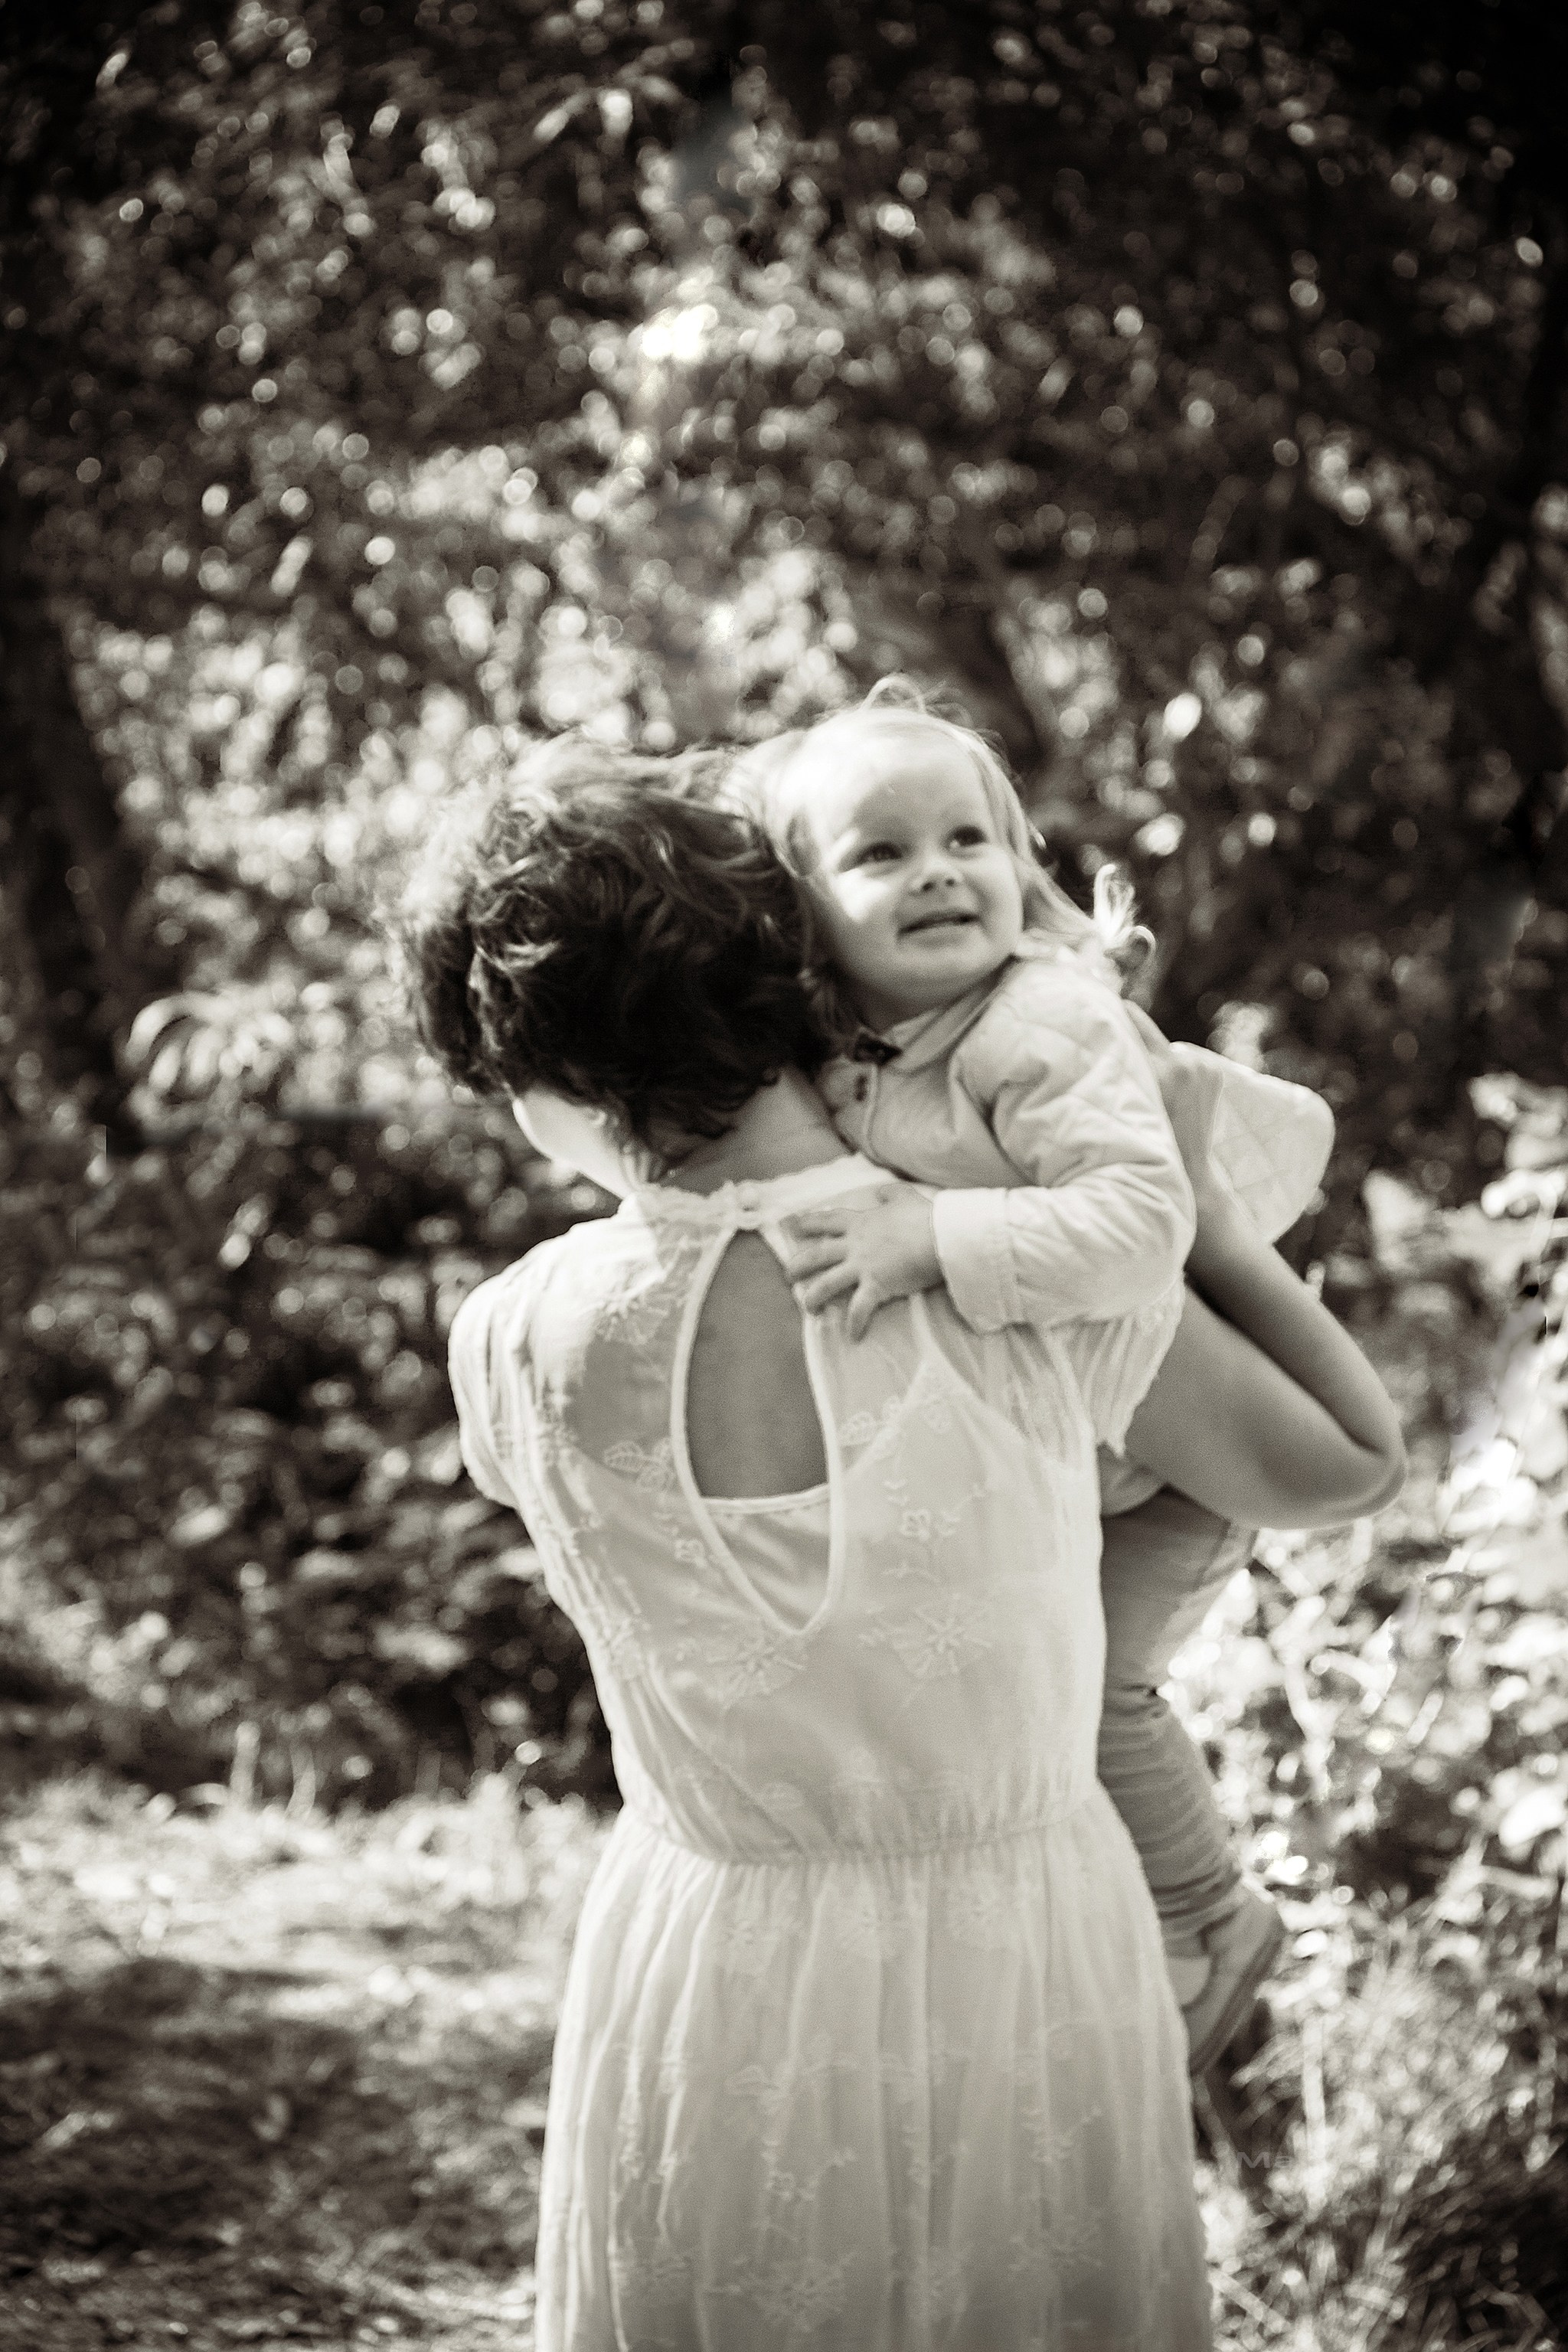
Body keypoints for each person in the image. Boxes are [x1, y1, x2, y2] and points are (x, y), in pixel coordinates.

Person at [397, 740, 1403, 2351]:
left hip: (702, 1972)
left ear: (549, 1082)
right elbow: (1341, 1466)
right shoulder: (1002, 1278)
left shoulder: (508, 1341)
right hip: (1022, 1960)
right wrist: (1182, 1195)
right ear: (793, 969)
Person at [729, 680, 1401, 2069]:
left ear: (1018, 858)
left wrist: (934, 1235)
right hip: (1089, 1441)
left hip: (1172, 1470)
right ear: (805, 911)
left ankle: (1215, 1922)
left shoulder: (1040, 1024)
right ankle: (1103, 1945)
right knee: (1013, 1686)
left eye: (968, 839)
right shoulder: (858, 1042)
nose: (939, 874)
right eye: (882, 852)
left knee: (1091, 1693)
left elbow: (1140, 1225)